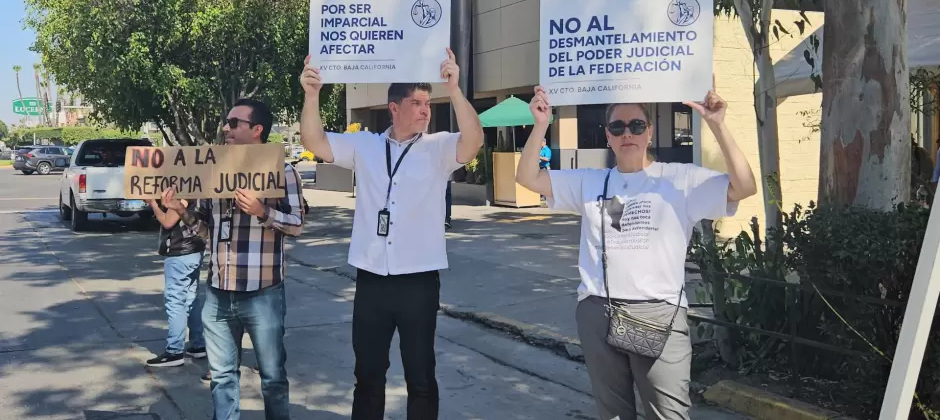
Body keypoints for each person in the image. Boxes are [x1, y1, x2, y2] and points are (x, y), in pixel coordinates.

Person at [515, 82, 757, 420]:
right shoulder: (589, 181)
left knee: (668, 414)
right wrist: (541, 124)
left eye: (636, 125)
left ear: (650, 132)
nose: (627, 133)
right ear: (608, 135)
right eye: (618, 126)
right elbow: (527, 177)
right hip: (598, 310)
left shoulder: (679, 179)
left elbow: (744, 186)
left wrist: (717, 125)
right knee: (613, 415)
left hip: (659, 313)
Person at [298, 48, 484, 420]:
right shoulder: (366, 145)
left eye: (428, 103)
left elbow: (474, 140)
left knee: (421, 378)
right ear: (393, 107)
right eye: (416, 102)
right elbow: (314, 141)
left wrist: (457, 90)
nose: (425, 110)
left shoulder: (438, 148)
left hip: (418, 281)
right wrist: (312, 94)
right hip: (372, 281)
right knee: (367, 376)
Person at [161, 98, 305, 420]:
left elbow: (296, 225)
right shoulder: (212, 171)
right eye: (226, 122)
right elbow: (208, 233)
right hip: (218, 293)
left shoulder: (283, 171)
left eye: (234, 123)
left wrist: (262, 211)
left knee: (272, 378)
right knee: (223, 378)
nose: (225, 128)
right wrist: (181, 210)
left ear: (257, 130)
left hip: (263, 293)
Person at [145, 198, 207, 368]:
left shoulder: (183, 188)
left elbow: (168, 221)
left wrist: (154, 204)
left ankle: (174, 351)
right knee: (190, 297)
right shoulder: (197, 184)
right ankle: (198, 344)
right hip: (195, 248)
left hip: (181, 251)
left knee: (175, 300)